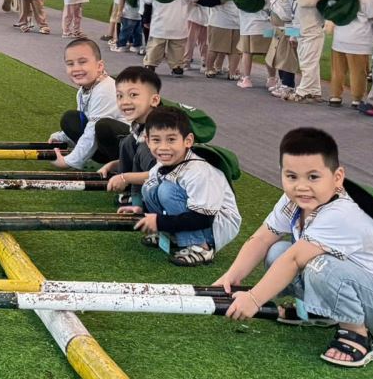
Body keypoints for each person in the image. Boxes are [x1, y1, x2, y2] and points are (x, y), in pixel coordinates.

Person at [214, 127, 373, 368]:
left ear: (337, 177)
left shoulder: (341, 213)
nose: (301, 186)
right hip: (356, 283)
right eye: (292, 176)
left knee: (319, 265)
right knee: (277, 251)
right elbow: (261, 239)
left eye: (313, 177)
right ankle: (319, 313)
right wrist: (231, 277)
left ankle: (357, 335)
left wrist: (254, 299)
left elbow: (295, 260)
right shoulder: (294, 201)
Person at [123, 106, 241, 267]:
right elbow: (150, 184)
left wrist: (160, 221)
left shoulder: (199, 171)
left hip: (215, 225)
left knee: (167, 190)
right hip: (199, 217)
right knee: (149, 188)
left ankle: (201, 247)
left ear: (188, 141)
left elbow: (203, 219)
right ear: (147, 141)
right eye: (156, 140)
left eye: (171, 139)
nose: (163, 147)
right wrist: (140, 209)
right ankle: (172, 236)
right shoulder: (164, 163)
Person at [51, 38, 126, 169]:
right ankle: (107, 160)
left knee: (102, 126)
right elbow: (86, 121)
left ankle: (126, 165)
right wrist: (60, 137)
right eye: (70, 64)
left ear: (99, 66)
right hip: (109, 144)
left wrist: (69, 162)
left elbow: (92, 131)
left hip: (134, 146)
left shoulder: (105, 89)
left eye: (82, 62)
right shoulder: (83, 91)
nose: (76, 68)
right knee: (71, 118)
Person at [101, 65, 162, 205]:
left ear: (154, 100)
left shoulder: (162, 129)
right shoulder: (139, 124)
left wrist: (125, 178)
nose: (125, 102)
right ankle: (128, 193)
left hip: (171, 185)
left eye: (133, 95)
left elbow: (163, 172)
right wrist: (114, 165)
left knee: (143, 148)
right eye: (120, 96)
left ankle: (142, 200)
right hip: (157, 173)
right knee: (127, 142)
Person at [232, 0, 276, 90]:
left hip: (247, 28)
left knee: (246, 53)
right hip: (266, 28)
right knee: (269, 54)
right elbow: (274, 8)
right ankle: (272, 79)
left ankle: (246, 78)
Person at [143, 0, 190, 76]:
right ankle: (177, 66)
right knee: (177, 46)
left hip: (159, 23)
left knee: (156, 44)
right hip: (178, 23)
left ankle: (150, 64)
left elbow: (147, 2)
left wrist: (146, 19)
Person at [290, 0, 327, 104]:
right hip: (301, 34)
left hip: (313, 34)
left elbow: (305, 3)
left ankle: (302, 91)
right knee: (308, 64)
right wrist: (292, 35)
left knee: (308, 65)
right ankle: (314, 91)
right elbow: (295, 15)